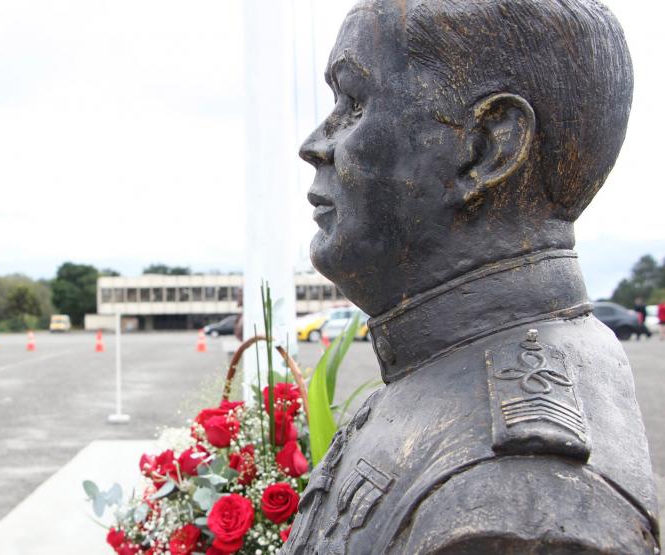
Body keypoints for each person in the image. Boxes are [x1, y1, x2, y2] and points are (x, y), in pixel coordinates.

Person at [282, 0, 659, 553]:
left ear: (486, 148)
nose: (315, 144)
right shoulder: (441, 364)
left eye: (355, 103)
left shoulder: (508, 507)